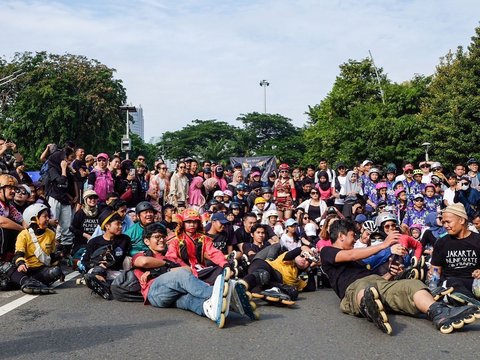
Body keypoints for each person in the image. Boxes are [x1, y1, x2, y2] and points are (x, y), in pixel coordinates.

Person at [320, 219, 480, 335]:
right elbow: (350, 254)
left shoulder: (358, 260)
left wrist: (391, 273)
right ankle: (369, 307)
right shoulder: (327, 252)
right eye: (351, 235)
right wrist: (384, 244)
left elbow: (377, 279)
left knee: (412, 285)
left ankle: (439, 312)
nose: (354, 239)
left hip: (378, 282)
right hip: (353, 290)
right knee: (365, 289)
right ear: (341, 236)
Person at [132, 222, 257, 328]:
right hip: (155, 292)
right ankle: (217, 294)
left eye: (163, 237)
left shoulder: (170, 256)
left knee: (189, 300)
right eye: (157, 237)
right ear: (147, 241)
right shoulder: (142, 254)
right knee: (181, 275)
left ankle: (210, 310)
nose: (161, 240)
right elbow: (144, 262)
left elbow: (188, 270)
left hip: (172, 295)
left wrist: (170, 268)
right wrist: (167, 266)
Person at [1, 203, 63, 294]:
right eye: (44, 216)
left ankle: (26, 282)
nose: (48, 219)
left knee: (56, 271)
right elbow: (18, 253)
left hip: (41, 270)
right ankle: (27, 282)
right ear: (34, 219)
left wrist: (59, 262)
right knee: (5, 268)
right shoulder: (24, 234)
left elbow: (52, 256)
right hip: (26, 269)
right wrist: (21, 264)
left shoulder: (51, 234)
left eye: (48, 216)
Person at [431, 203, 480, 306]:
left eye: (448, 222)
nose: (445, 226)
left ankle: (466, 300)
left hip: (474, 283)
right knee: (452, 284)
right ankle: (468, 300)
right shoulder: (441, 242)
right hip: (451, 284)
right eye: (443, 222)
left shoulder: (478, 240)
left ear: (461, 220)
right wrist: (432, 281)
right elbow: (435, 271)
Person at [78, 209, 131, 300]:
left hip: (116, 271)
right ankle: (102, 283)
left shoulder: (125, 239)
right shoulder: (94, 242)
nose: (121, 226)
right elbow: (84, 261)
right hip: (96, 270)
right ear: (107, 226)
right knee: (92, 274)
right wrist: (97, 265)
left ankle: (105, 285)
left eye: (121, 224)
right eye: (117, 224)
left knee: (127, 261)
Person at [165, 209, 228, 284]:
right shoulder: (175, 240)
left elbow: (213, 252)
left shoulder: (204, 238)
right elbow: (171, 257)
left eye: (194, 222)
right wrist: (185, 268)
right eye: (188, 222)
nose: (192, 225)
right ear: (182, 223)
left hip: (201, 270)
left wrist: (224, 263)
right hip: (183, 271)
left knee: (221, 270)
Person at [69, 190, 100, 265]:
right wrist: (85, 235)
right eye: (90, 198)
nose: (93, 200)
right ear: (85, 200)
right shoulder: (80, 213)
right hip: (82, 243)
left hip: (97, 243)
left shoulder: (100, 212)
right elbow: (72, 228)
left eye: (95, 198)